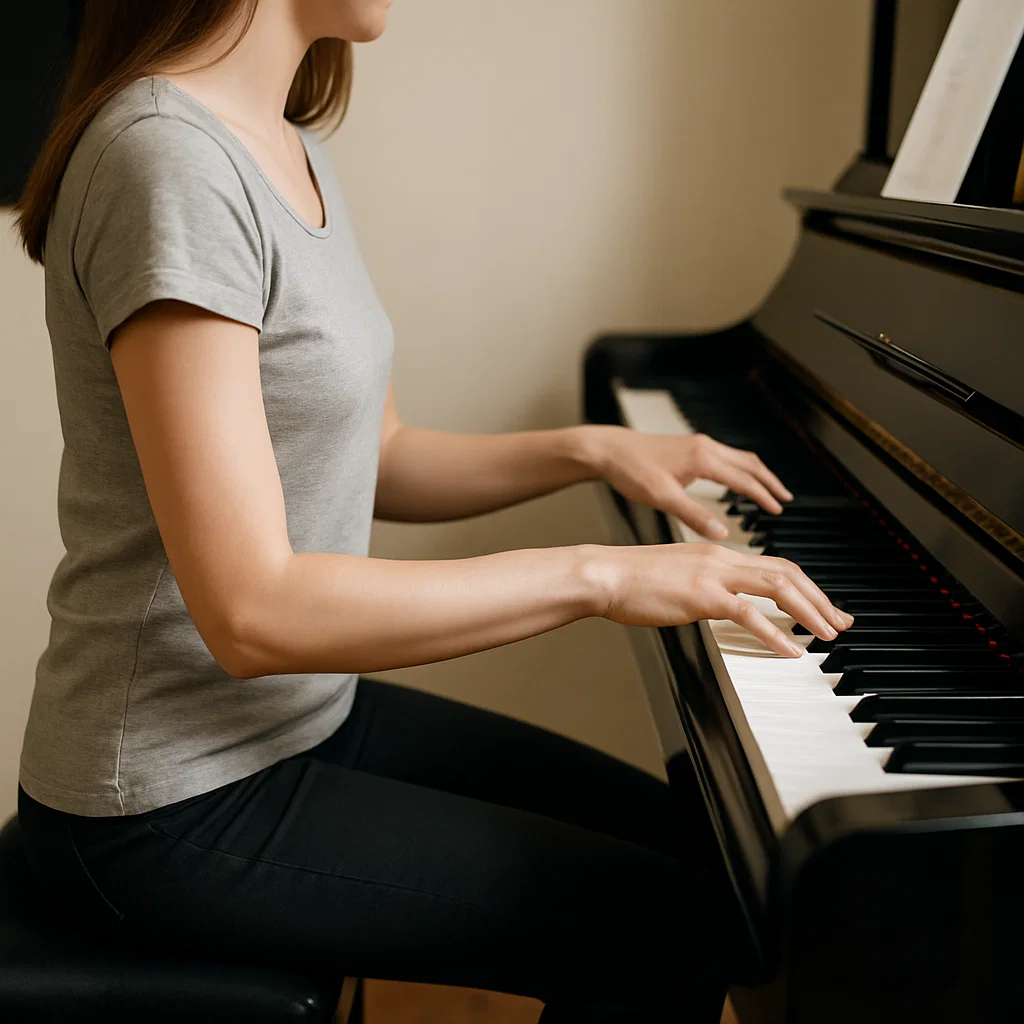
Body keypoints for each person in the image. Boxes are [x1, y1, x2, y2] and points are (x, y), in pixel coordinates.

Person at [13, 2, 852, 1021]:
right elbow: (252, 610)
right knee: (658, 922)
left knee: (704, 850)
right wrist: (604, 574)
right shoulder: (163, 161)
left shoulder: (286, 144)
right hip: (159, 797)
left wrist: (591, 452)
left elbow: (383, 457)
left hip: (297, 721)